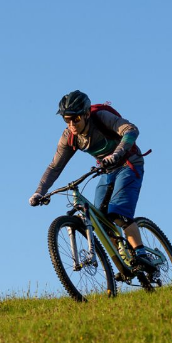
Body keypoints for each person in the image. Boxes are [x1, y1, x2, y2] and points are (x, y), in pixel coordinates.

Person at [29, 90, 153, 269]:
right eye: (67, 119)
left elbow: (131, 130)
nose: (72, 124)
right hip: (106, 170)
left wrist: (117, 153)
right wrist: (39, 192)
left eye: (76, 119)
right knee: (101, 220)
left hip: (129, 163)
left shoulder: (101, 117)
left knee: (118, 213)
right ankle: (124, 264)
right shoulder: (69, 137)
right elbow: (54, 167)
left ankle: (142, 255)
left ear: (86, 114)